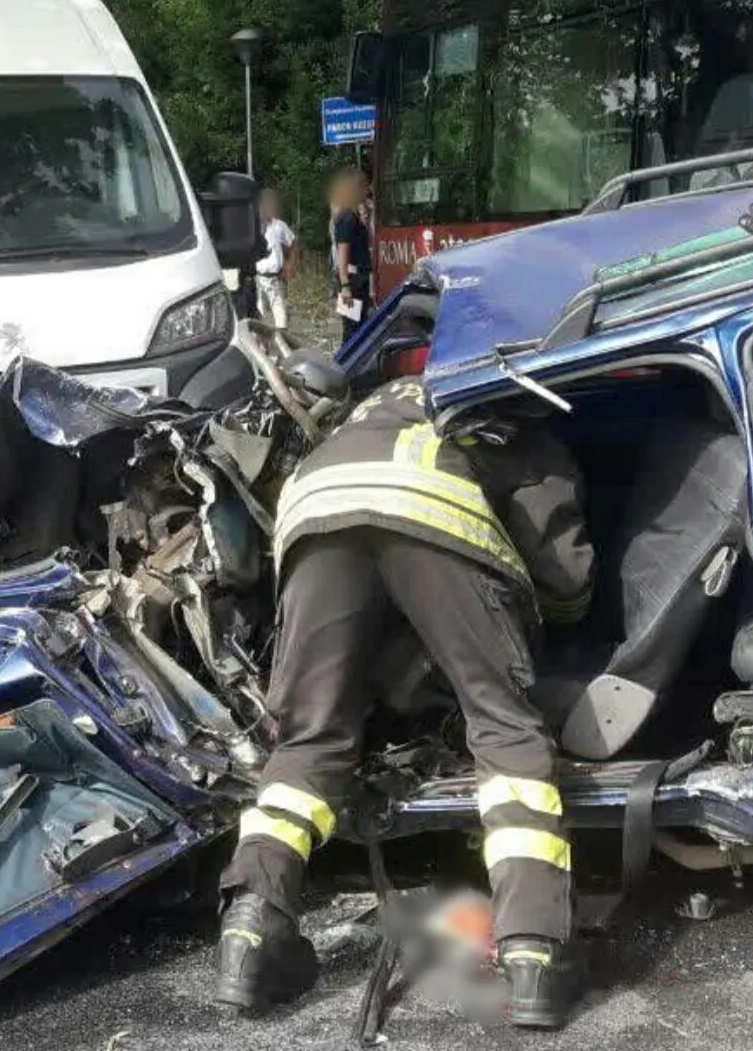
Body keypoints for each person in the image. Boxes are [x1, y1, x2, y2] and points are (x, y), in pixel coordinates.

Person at [217, 376, 595, 1029]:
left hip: (314, 512)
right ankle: (534, 950)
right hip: (431, 510)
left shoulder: (382, 393)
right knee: (504, 730)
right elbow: (566, 578)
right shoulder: (515, 405)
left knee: (309, 740)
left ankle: (250, 933)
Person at [328, 167, 374, 344]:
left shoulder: (352, 216)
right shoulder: (348, 218)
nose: (368, 191)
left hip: (356, 280)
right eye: (364, 187)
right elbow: (343, 253)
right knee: (352, 330)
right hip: (352, 282)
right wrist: (346, 285)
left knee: (356, 327)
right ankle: (344, 367)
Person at [254, 188, 298, 330]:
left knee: (281, 320)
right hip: (256, 280)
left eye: (274, 204)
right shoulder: (252, 225)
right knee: (258, 318)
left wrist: (290, 264)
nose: (273, 206)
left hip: (275, 279)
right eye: (269, 203)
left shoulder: (279, 225)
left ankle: (282, 345)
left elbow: (294, 242)